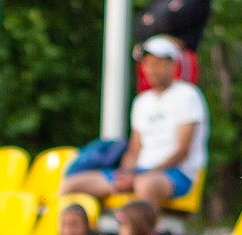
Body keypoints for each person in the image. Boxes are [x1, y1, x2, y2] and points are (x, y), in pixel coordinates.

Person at [60, 36, 207, 206]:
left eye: (157, 64)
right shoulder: (141, 102)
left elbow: (183, 150)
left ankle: (148, 233)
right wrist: (126, 174)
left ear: (172, 64)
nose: (151, 70)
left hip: (176, 173)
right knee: (71, 185)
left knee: (144, 185)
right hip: (140, 172)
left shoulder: (188, 95)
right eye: (147, 64)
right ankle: (90, 231)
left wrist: (142, 175)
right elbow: (134, 149)